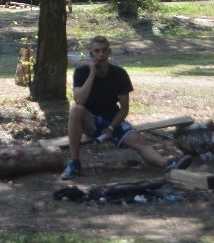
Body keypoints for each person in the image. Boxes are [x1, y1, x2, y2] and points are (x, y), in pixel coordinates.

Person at [61, 35, 193, 179]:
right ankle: (74, 163)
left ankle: (167, 165)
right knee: (76, 110)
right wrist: (92, 74)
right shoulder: (81, 72)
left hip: (113, 120)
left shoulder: (119, 74)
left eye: (104, 50)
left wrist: (111, 128)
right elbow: (79, 100)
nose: (100, 55)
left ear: (109, 52)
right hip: (90, 120)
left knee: (139, 141)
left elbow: (124, 109)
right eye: (97, 51)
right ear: (91, 54)